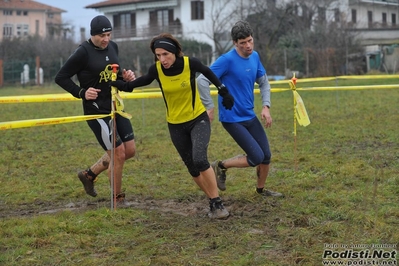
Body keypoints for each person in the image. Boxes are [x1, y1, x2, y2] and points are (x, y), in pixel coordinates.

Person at [110, 33, 234, 219]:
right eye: (158, 55)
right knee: (192, 167)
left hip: (197, 119)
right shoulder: (157, 70)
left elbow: (208, 73)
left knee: (200, 159)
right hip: (175, 125)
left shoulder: (189, 63)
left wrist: (223, 91)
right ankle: (212, 200)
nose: (162, 59)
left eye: (165, 54)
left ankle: (217, 203)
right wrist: (115, 83)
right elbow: (135, 84)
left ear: (174, 52)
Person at [55, 15, 136, 204]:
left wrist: (127, 77)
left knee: (129, 150)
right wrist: (81, 92)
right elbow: (61, 77)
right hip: (96, 111)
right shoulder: (82, 52)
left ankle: (89, 174)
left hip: (115, 107)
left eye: (108, 34)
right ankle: (117, 198)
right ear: (93, 34)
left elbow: (114, 75)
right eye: (101, 35)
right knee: (118, 153)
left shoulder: (113, 47)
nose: (106, 39)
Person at [197, 20, 283, 197]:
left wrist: (266, 106)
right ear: (235, 43)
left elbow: (264, 83)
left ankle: (260, 190)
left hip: (249, 115)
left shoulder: (255, 57)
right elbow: (202, 80)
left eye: (250, 41)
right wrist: (209, 106)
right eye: (243, 43)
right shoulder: (226, 60)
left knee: (266, 156)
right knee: (256, 158)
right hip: (232, 118)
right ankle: (221, 166)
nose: (248, 46)